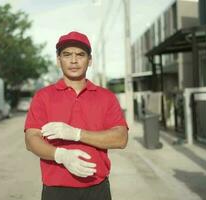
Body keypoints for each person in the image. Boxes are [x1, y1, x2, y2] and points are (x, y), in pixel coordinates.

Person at [24, 31, 128, 200]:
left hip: (97, 189)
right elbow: (31, 139)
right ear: (58, 60)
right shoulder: (43, 96)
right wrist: (60, 155)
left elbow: (121, 138)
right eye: (67, 55)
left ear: (90, 60)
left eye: (80, 54)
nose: (74, 60)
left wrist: (77, 134)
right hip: (56, 191)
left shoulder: (106, 97)